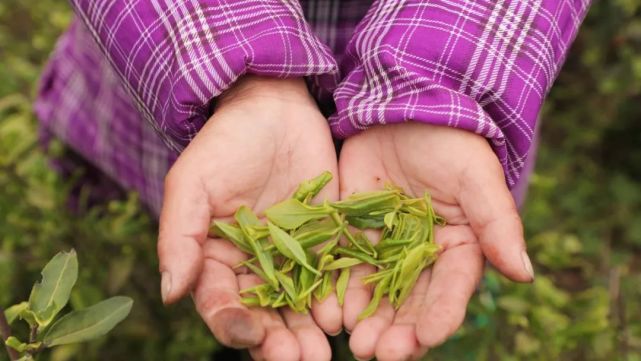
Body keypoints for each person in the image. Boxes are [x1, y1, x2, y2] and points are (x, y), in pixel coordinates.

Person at [35, 1, 591, 360]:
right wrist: (243, 77)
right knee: (168, 223)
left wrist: (440, 82)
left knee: (434, 277)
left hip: (442, 119)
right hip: (175, 84)